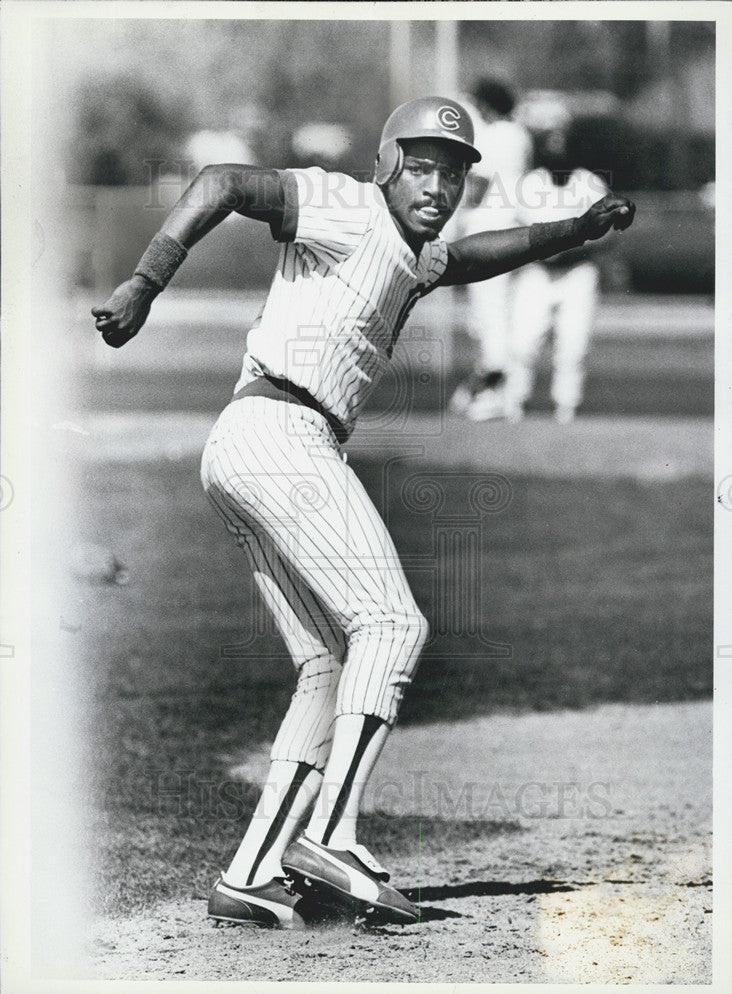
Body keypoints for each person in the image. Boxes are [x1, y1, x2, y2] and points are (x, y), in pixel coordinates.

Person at [92, 96, 635, 930]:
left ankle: (250, 871)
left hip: (251, 444)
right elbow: (225, 179)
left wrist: (578, 227)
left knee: (328, 664)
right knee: (393, 625)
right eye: (421, 165)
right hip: (280, 431)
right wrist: (145, 279)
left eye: (452, 172)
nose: (438, 184)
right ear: (387, 165)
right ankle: (333, 836)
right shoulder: (345, 204)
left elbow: (482, 256)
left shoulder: (413, 253)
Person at [502, 112, 610, 423]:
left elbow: (608, 235)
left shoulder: (589, 183)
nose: (557, 150)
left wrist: (571, 249)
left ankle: (566, 409)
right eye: (552, 144)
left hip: (578, 273)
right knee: (522, 342)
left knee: (573, 346)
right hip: (536, 272)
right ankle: (513, 405)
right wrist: (543, 250)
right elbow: (517, 230)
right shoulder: (530, 183)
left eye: (563, 144)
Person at [448, 78, 533, 421]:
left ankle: (493, 390)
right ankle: (503, 392)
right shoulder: (519, 135)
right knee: (500, 316)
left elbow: (477, 184)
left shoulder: (495, 136)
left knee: (489, 316)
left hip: (488, 230)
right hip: (515, 227)